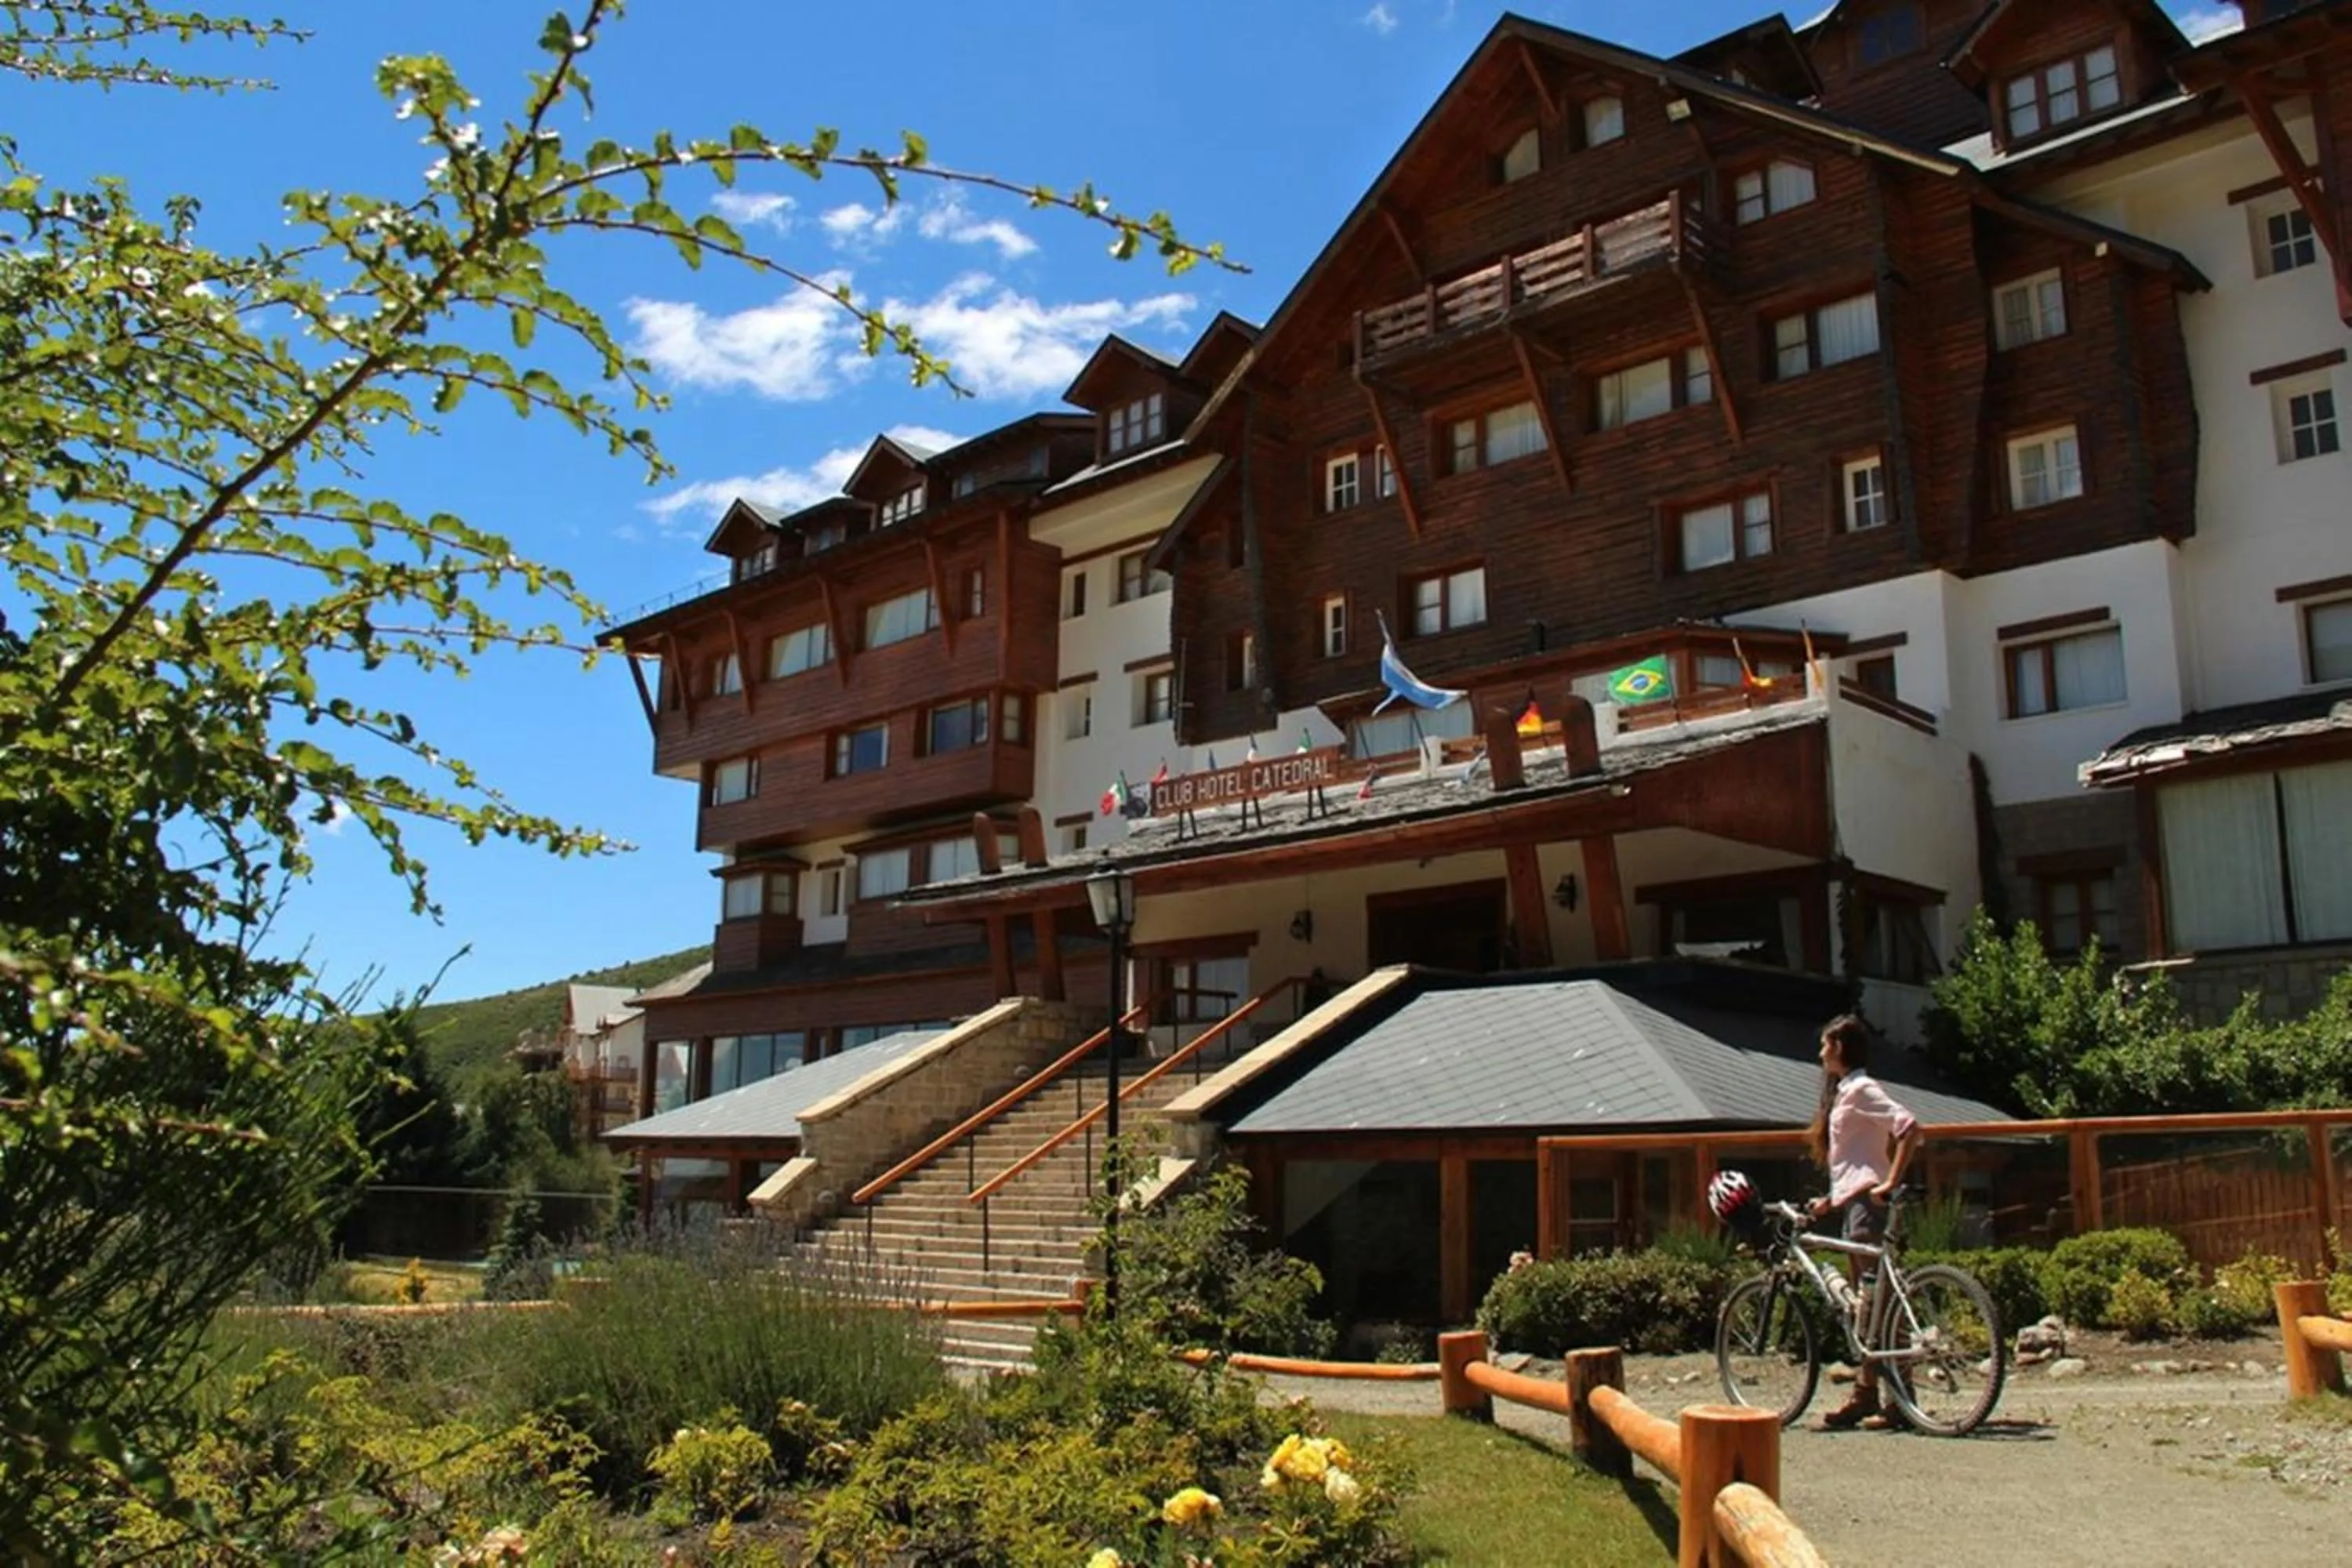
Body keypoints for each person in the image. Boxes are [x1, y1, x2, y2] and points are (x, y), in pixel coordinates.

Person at [1804, 1013, 1922, 1431]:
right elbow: (1855, 1160)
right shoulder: (1845, 1093)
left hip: (1868, 1208)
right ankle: (1868, 1395)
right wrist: (1829, 1201)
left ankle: (1899, 1400)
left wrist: (1891, 1180)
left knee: (1880, 1304)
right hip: (1855, 1205)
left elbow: (1908, 1128)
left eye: (1825, 1045)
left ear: (1839, 1047)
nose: (1820, 1054)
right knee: (1869, 1308)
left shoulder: (1860, 1090)